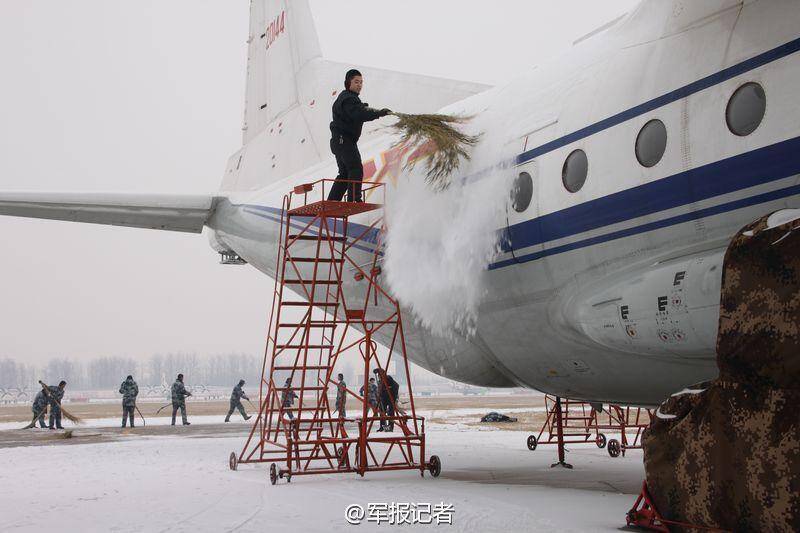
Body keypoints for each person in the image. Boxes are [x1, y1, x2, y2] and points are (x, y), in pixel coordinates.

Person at [328, 69, 391, 202]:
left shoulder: (346, 99)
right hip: (344, 140)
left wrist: (370, 110)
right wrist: (379, 113)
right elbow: (359, 113)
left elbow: (359, 110)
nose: (359, 85)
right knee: (355, 168)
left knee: (344, 174)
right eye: (356, 82)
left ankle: (332, 201)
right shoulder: (348, 98)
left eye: (361, 82)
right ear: (348, 83)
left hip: (339, 141)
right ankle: (354, 199)